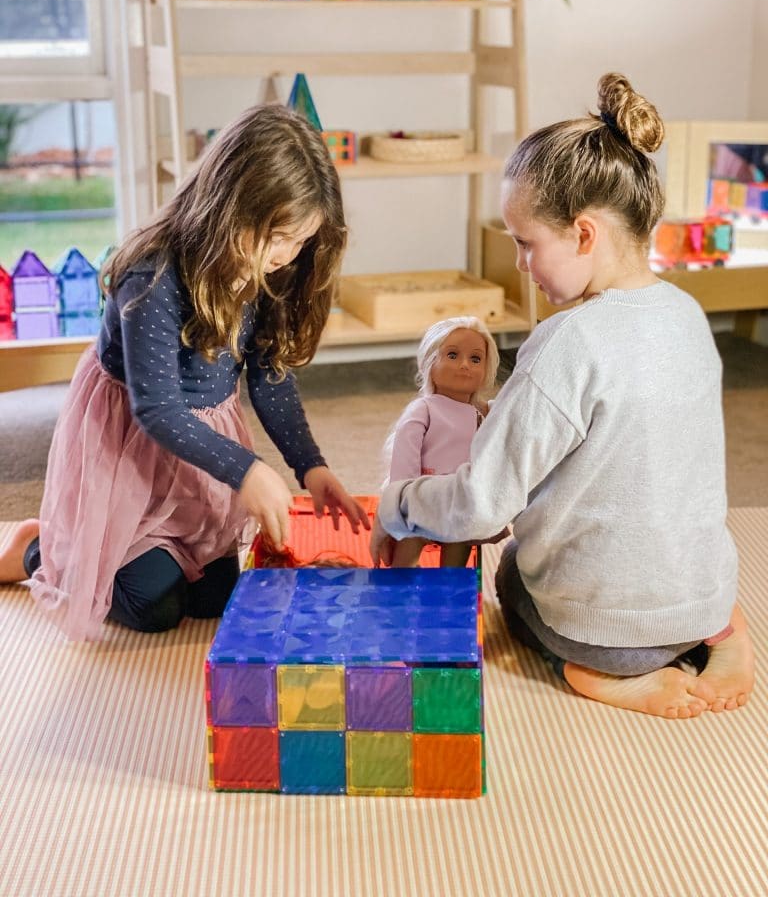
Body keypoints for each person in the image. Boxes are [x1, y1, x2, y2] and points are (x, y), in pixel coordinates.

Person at [372, 72, 755, 719]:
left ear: (583, 234)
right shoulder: (689, 316)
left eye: (526, 243)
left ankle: (602, 675)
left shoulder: (563, 344)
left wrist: (396, 504)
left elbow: (478, 507)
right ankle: (725, 632)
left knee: (511, 576)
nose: (521, 263)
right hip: (699, 604)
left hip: (600, 636)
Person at [0, 104, 370, 641]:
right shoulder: (152, 273)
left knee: (217, 597)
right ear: (231, 208)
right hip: (134, 439)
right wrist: (248, 470)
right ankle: (38, 547)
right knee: (155, 609)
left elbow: (269, 377)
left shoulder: (273, 269)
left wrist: (309, 466)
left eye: (300, 241)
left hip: (197, 445)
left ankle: (148, 548)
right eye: (279, 237)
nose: (286, 256)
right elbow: (158, 410)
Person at [384, 317, 499, 567]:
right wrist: (399, 499)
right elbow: (405, 458)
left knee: (459, 546)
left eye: (476, 359)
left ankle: (451, 591)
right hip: (423, 497)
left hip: (461, 501)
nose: (465, 365)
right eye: (453, 355)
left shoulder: (486, 413)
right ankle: (399, 586)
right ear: (430, 363)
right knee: (408, 546)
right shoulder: (423, 410)